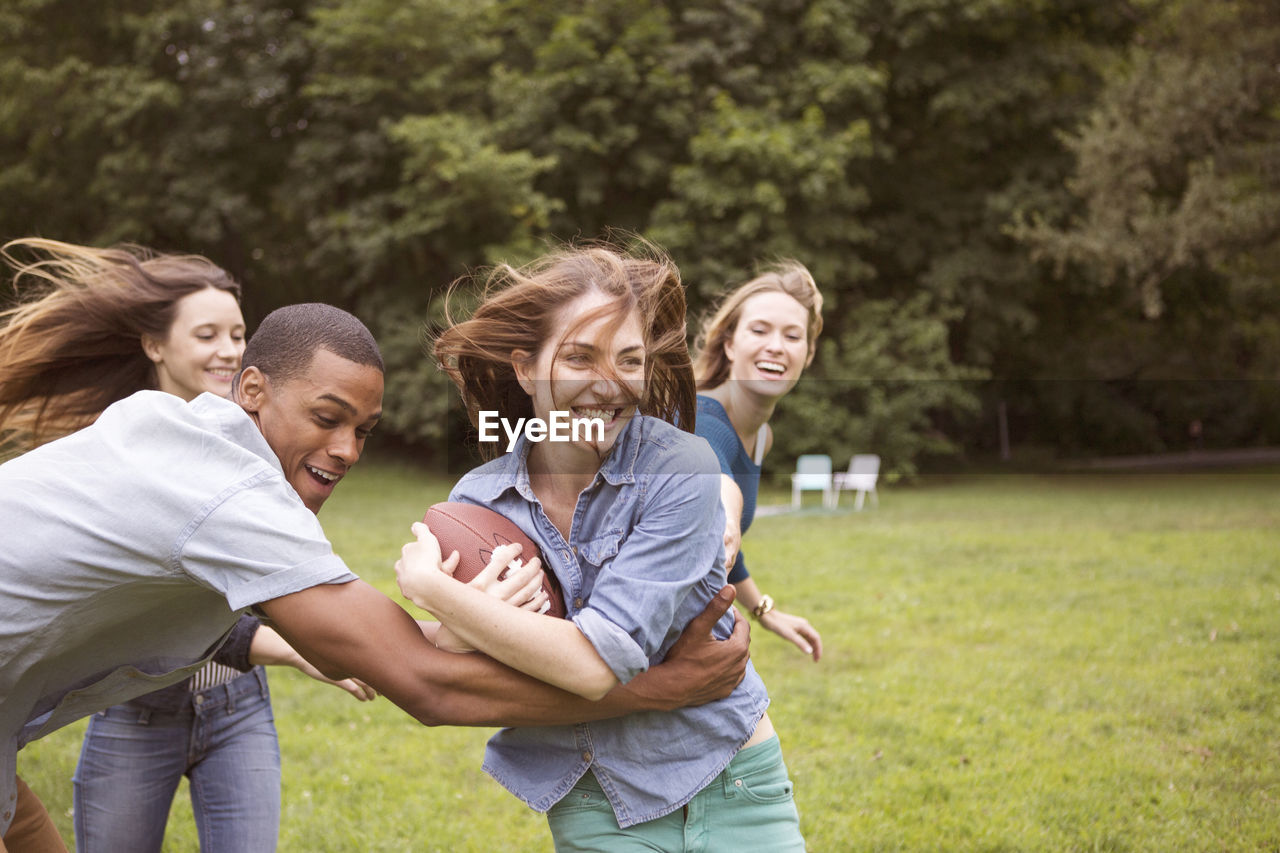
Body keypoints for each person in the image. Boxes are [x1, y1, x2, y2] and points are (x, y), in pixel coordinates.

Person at [0, 288, 748, 852]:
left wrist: (454, 625)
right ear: (251, 389)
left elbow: (360, 644)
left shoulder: (178, 447)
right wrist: (661, 690)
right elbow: (421, 685)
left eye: (363, 429)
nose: (348, 450)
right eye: (326, 417)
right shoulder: (226, 488)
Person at [398, 244, 806, 851]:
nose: (608, 384)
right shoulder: (478, 504)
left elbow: (594, 665)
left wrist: (436, 593)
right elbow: (462, 658)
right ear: (526, 368)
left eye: (629, 359)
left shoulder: (681, 467)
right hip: (596, 798)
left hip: (732, 778)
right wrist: (464, 626)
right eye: (580, 357)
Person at [0, 238, 375, 853]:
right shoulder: (126, 448)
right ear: (155, 346)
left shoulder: (260, 456)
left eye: (237, 332)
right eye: (207, 335)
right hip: (137, 709)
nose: (228, 349)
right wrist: (295, 646)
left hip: (232, 698)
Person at [692, 261, 825, 662]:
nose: (776, 346)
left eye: (792, 336)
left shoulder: (761, 435)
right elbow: (712, 473)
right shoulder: (703, 417)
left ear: (807, 353)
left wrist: (765, 610)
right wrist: (728, 516)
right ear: (730, 344)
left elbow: (729, 552)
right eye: (760, 330)